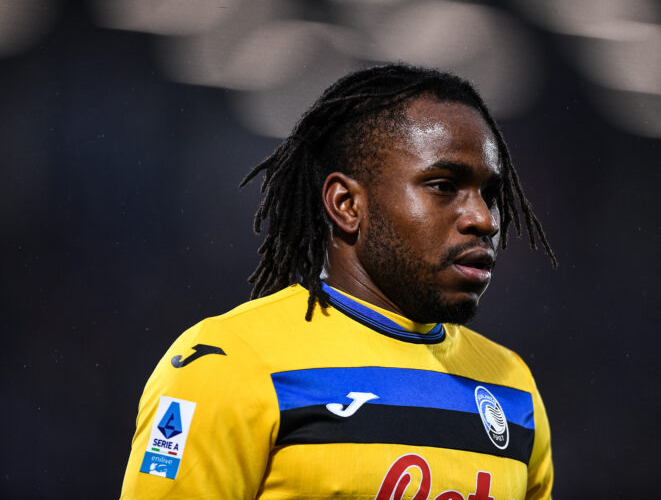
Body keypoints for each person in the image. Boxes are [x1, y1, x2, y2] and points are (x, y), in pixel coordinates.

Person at [120, 63, 557, 499]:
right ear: (347, 204)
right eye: (443, 185)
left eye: (491, 195)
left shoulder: (512, 388)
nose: (483, 218)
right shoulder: (229, 362)